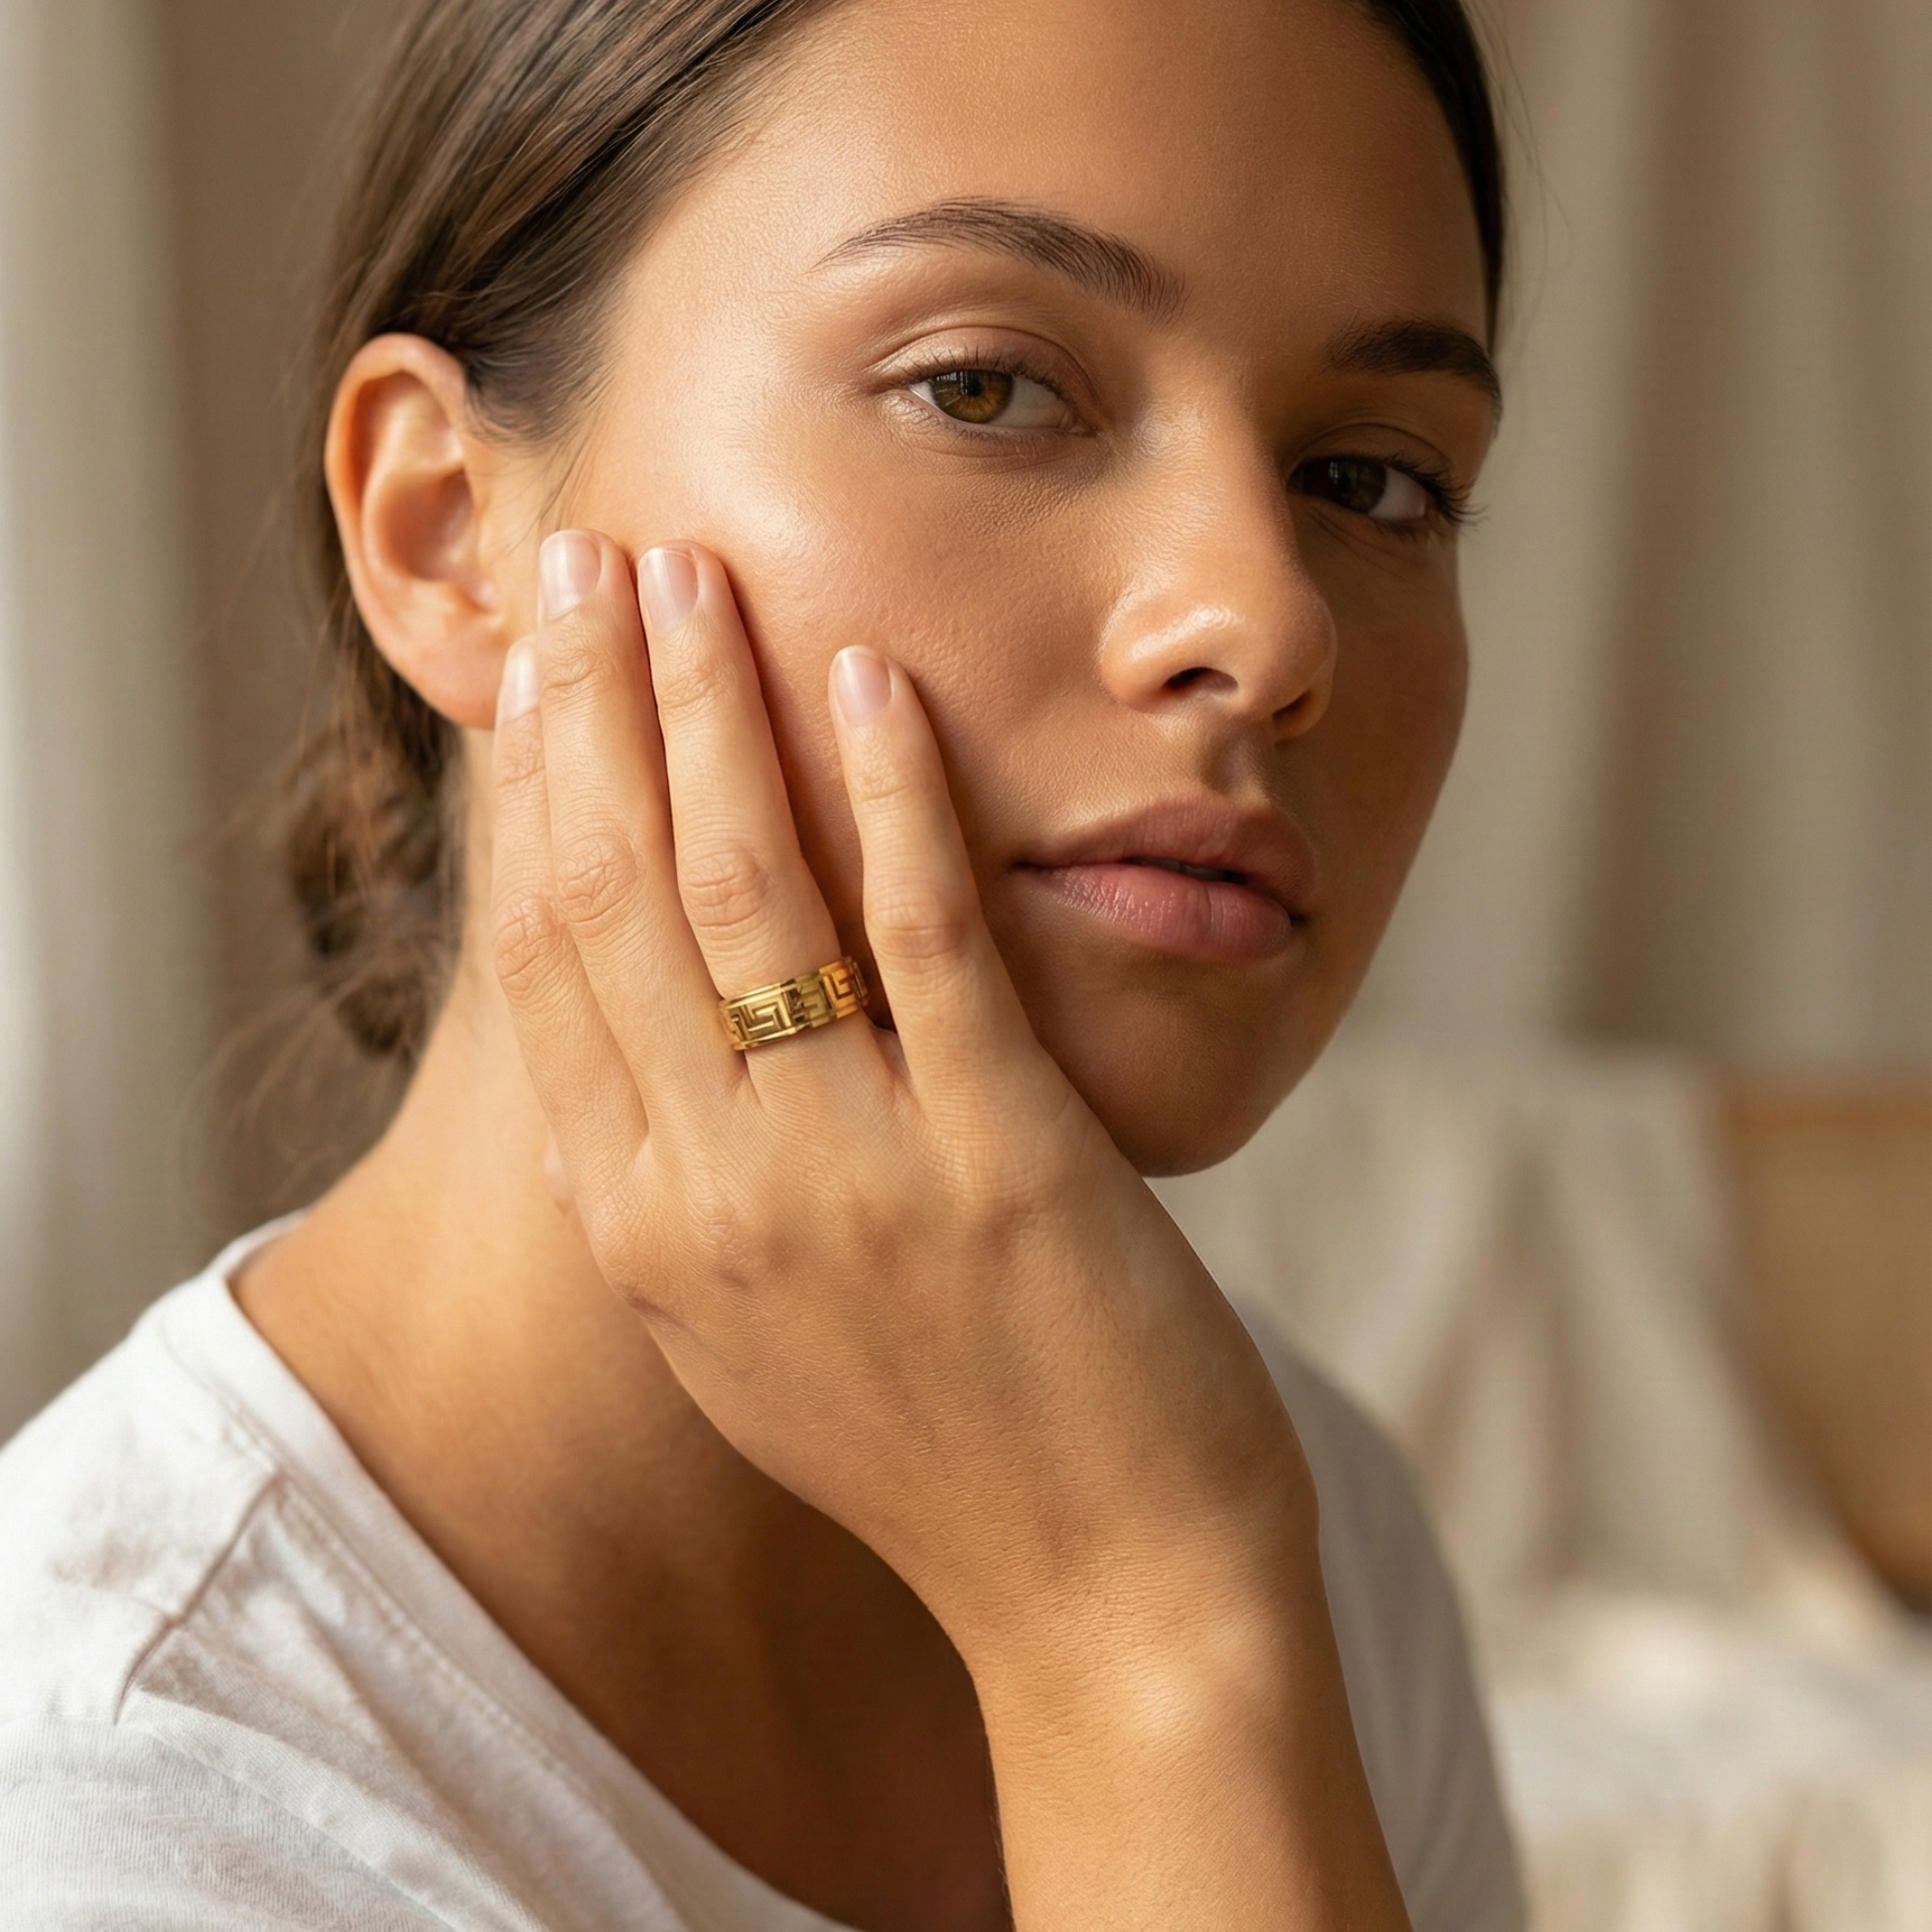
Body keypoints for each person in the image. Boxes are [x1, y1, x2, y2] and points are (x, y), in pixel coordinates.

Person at [0, 0, 1523, 1924]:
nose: (1265, 616)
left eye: (1373, 478)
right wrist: (1127, 1652)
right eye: (985, 385)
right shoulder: (118, 1830)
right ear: (446, 532)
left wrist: (1158, 1617)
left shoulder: (1273, 1531)